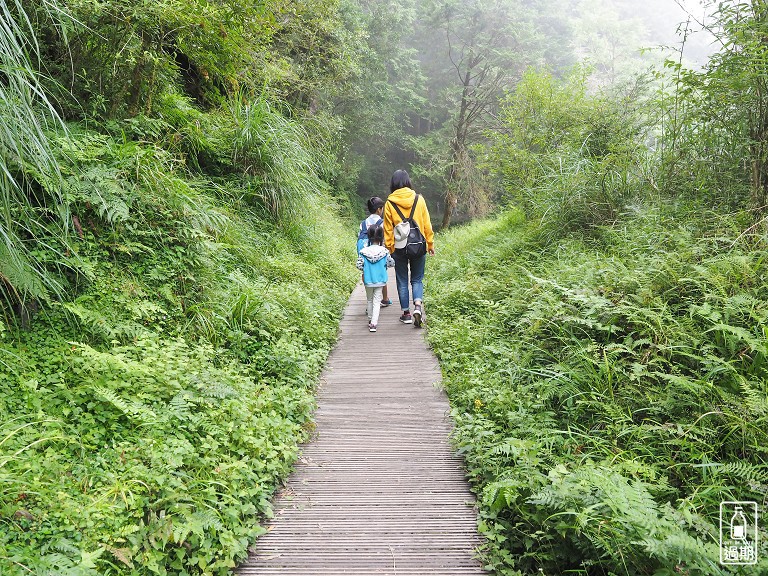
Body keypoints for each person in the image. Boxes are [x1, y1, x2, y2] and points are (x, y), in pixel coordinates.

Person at [383, 169, 435, 327]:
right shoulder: (419, 199)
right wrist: (430, 244)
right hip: (419, 245)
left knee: (402, 280)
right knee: (417, 279)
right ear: (407, 182)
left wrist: (390, 248)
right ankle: (418, 306)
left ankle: (406, 314)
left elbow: (387, 230)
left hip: (399, 248)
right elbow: (426, 223)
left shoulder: (389, 203)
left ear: (393, 183)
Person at [356, 224, 394, 333]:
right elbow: (391, 263)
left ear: (369, 236)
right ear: (381, 237)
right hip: (380, 280)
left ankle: (370, 319)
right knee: (377, 301)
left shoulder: (363, 252)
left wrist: (366, 268)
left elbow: (359, 265)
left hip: (368, 280)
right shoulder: (384, 251)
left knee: (369, 299)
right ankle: (374, 323)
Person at [357, 197, 392, 307]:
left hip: (364, 252)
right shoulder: (382, 223)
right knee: (382, 272)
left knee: (366, 272)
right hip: (379, 252)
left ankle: (370, 297)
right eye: (382, 209)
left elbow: (359, 238)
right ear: (379, 209)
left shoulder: (363, 223)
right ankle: (385, 298)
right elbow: (385, 238)